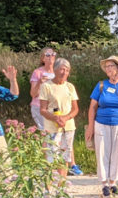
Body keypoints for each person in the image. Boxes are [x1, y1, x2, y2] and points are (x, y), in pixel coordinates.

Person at [86, 55, 118, 197]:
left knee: (117, 154)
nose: (108, 69)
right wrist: (90, 127)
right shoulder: (101, 85)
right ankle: (104, 184)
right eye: (106, 66)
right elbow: (92, 107)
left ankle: (113, 182)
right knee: (102, 153)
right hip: (101, 124)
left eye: (111, 66)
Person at [30, 47, 83, 175]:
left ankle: (67, 174)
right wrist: (39, 82)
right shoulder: (39, 75)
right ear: (42, 58)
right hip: (45, 112)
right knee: (51, 147)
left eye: (53, 54)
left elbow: (74, 106)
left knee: (65, 150)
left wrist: (65, 117)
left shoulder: (67, 83)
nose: (51, 56)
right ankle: (47, 173)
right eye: (47, 55)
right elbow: (34, 95)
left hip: (65, 120)